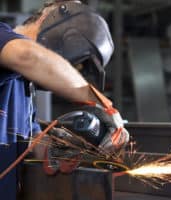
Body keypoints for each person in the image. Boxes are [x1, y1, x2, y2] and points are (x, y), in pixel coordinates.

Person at [0, 0, 128, 199]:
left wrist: (57, 147)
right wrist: (97, 102)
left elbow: (29, 146)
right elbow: (27, 56)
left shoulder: (24, 89)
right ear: (45, 19)